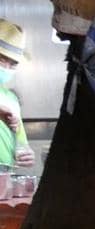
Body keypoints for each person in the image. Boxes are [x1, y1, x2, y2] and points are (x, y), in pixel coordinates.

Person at [0, 19, 35, 170]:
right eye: (1, 60)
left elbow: (20, 143)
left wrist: (27, 154)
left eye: (13, 63)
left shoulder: (11, 99)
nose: (6, 68)